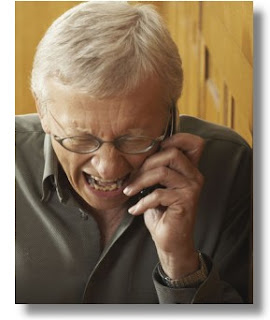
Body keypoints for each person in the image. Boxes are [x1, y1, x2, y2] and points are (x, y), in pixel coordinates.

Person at [15, 1, 252, 304]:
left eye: (133, 139)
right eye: (81, 139)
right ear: (42, 110)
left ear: (170, 114)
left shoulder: (232, 169)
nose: (108, 169)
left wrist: (179, 262)